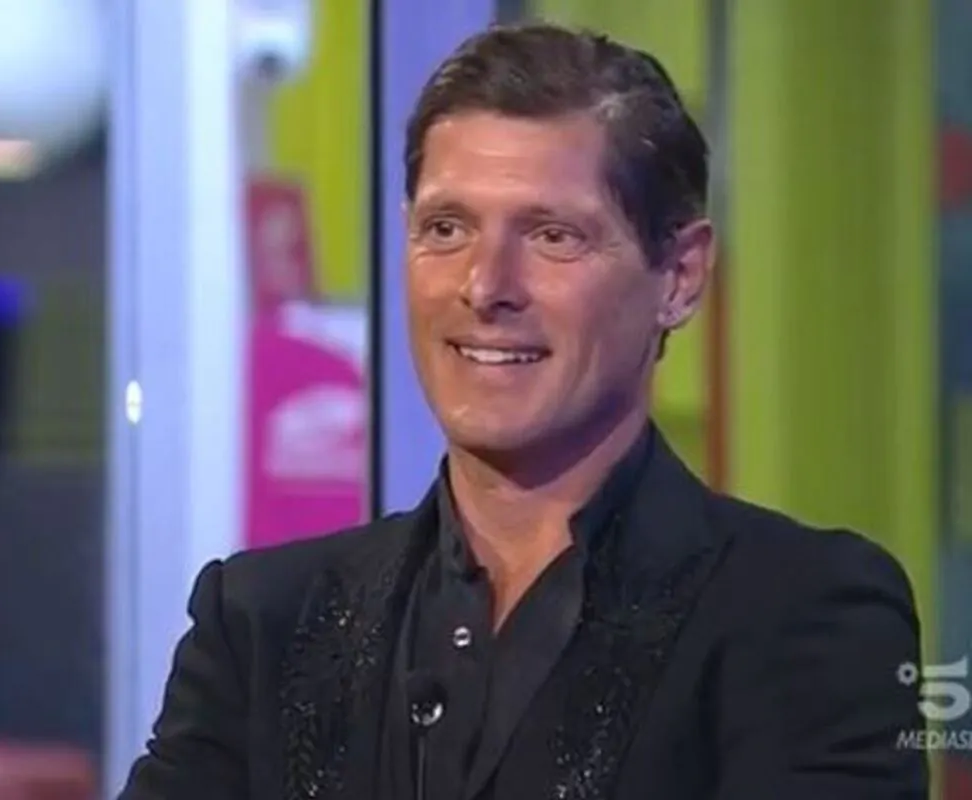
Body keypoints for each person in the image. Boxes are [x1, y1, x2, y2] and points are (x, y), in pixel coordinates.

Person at [118, 23, 928, 800]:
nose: (484, 286)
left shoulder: (804, 618)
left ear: (680, 276)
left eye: (552, 236)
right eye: (446, 228)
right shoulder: (260, 625)